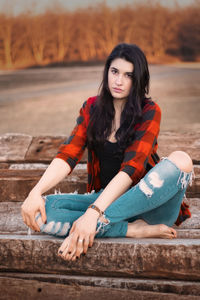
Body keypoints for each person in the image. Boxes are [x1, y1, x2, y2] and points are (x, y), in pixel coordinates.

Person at [21, 43, 193, 262]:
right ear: (107, 72)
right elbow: (68, 155)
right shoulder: (91, 108)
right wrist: (35, 192)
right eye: (114, 72)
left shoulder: (149, 111)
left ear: (138, 79)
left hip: (150, 208)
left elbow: (132, 169)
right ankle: (130, 230)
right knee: (41, 211)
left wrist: (93, 214)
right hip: (105, 203)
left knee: (181, 160)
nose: (118, 81)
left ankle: (100, 223)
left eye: (128, 75)